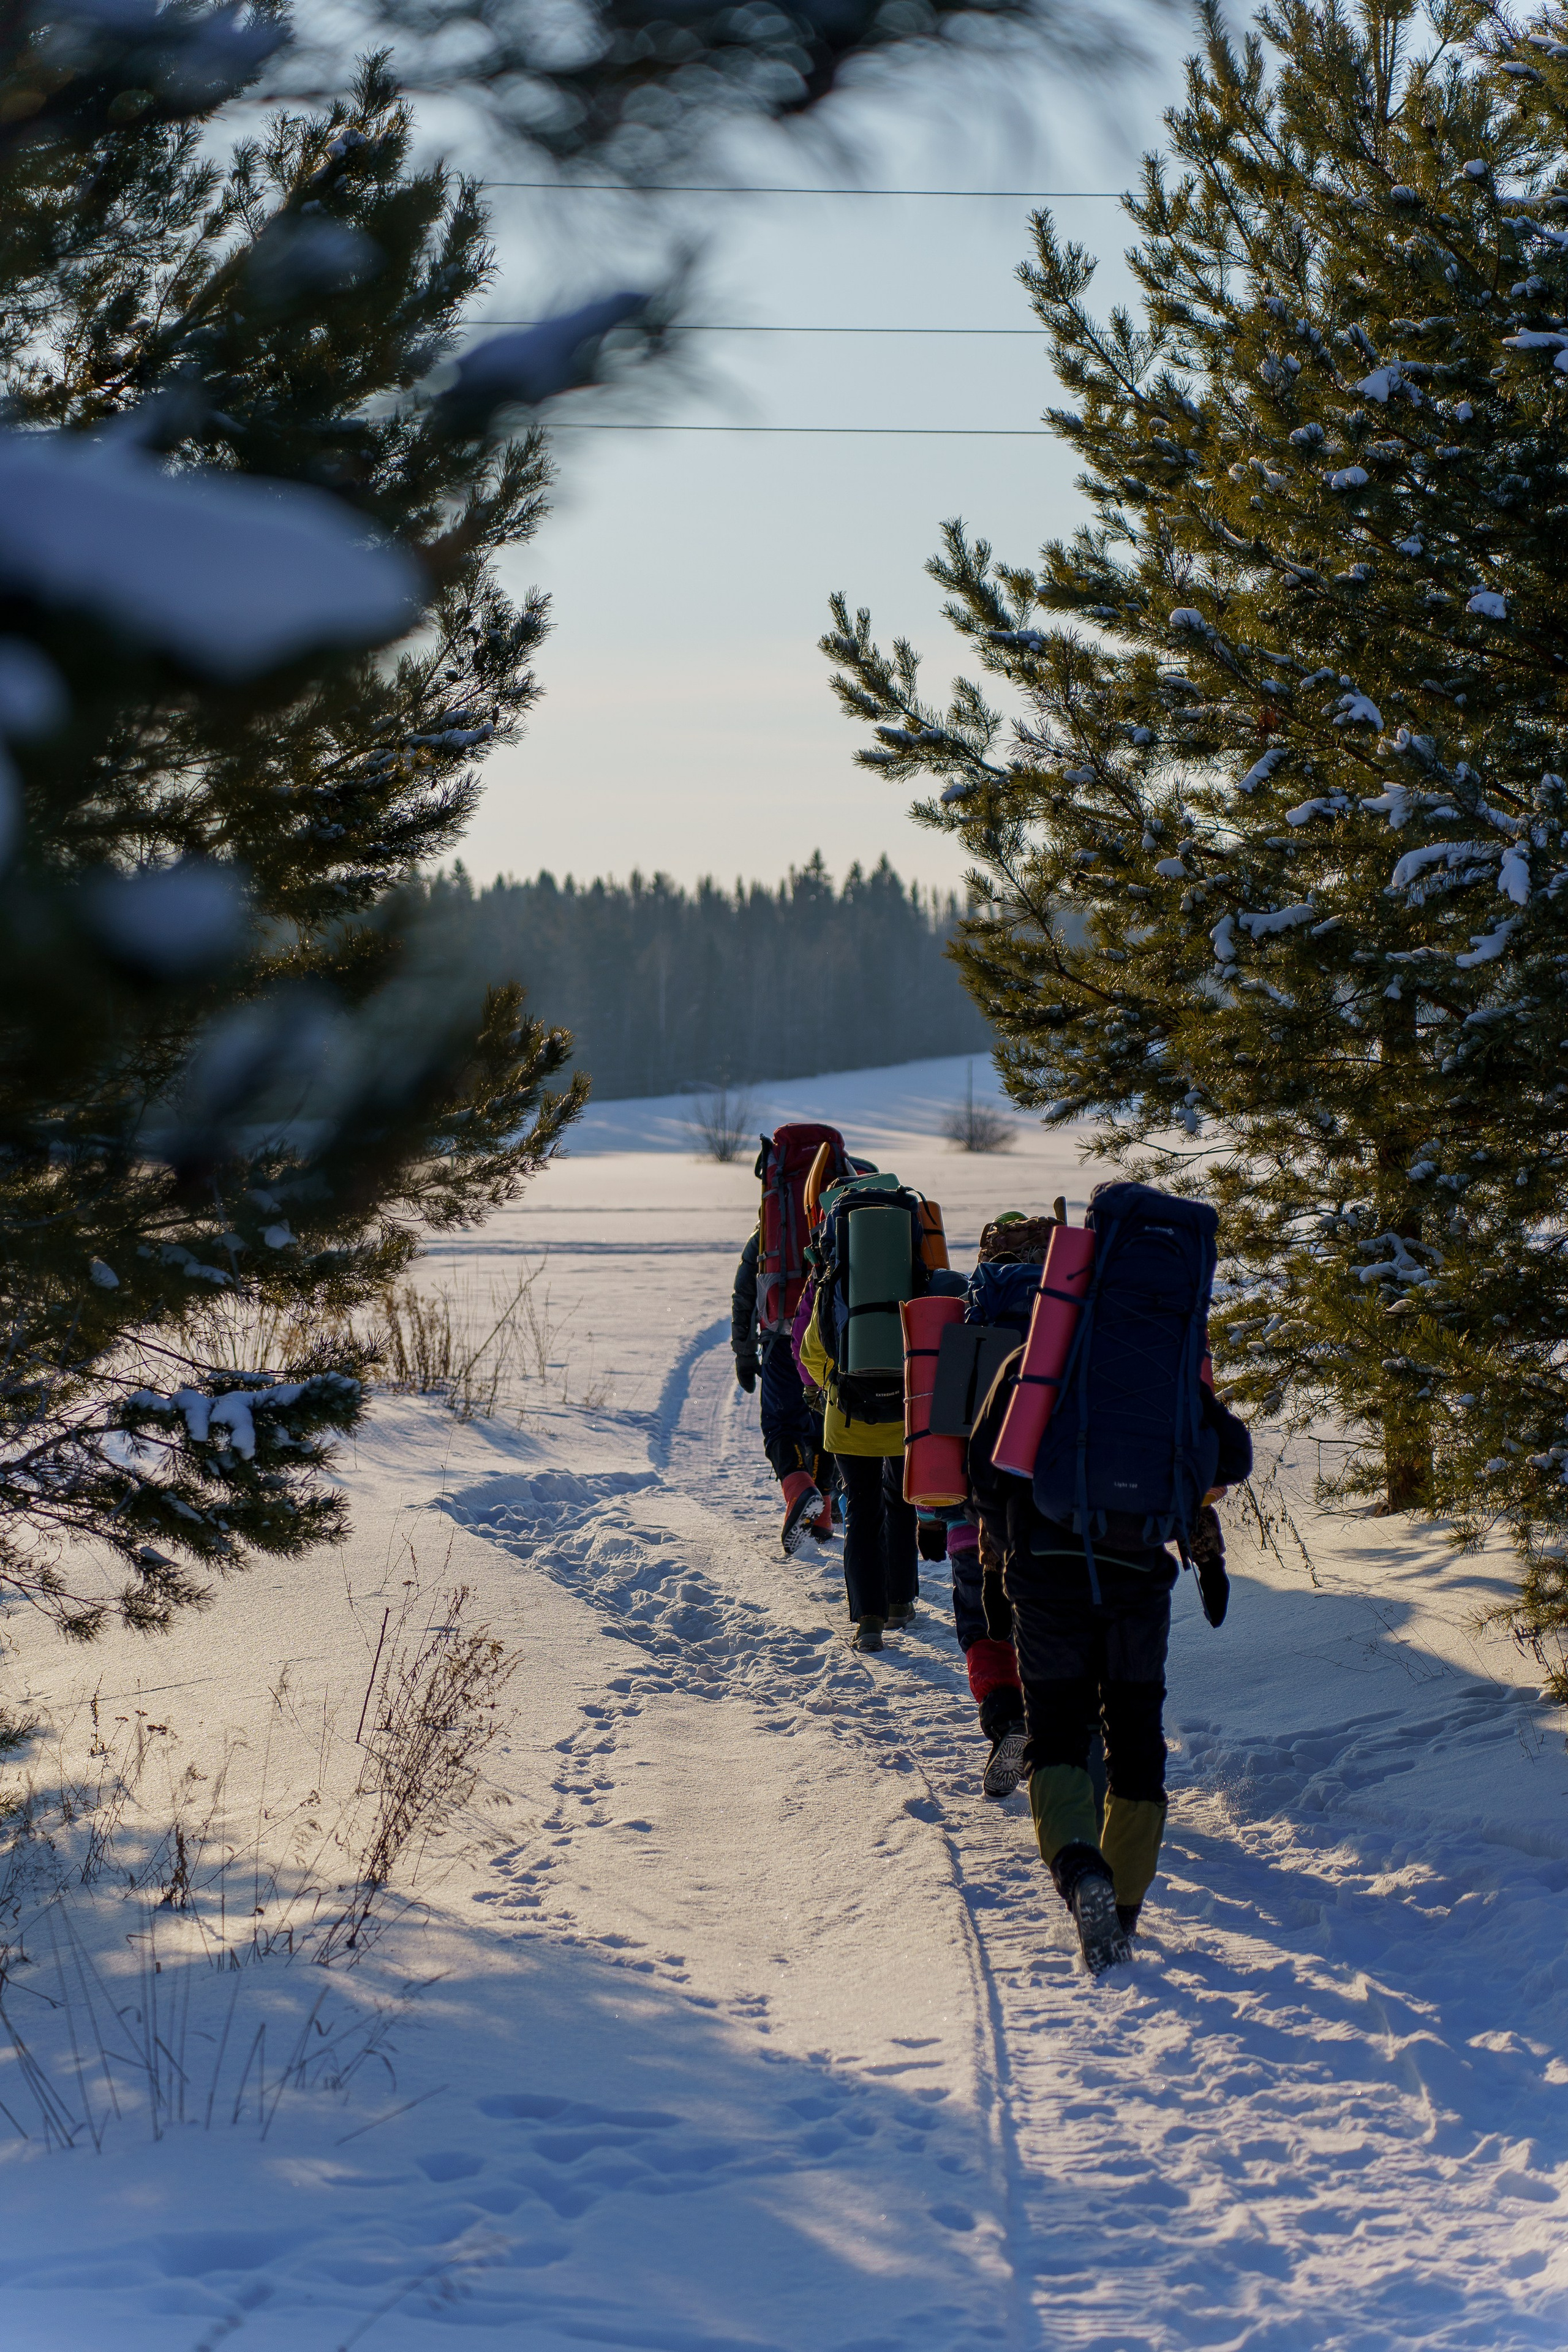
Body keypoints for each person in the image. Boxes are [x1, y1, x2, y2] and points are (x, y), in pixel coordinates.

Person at [968, 1183, 1251, 1975]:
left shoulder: (1047, 1349)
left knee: (1056, 1739)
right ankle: (1121, 1909)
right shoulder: (1170, 1373)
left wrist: (1003, 1547)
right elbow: (1233, 1457)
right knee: (1136, 1747)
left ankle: (1080, 1874)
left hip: (1045, 1575)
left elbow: (985, 1465)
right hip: (1140, 1582)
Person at [800, 1268, 918, 1653]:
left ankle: (870, 1621)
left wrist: (835, 1385)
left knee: (863, 1512)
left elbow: (811, 1352)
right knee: (902, 1504)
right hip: (905, 1414)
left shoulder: (833, 1282)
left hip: (850, 1418)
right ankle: (899, 1603)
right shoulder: (913, 1275)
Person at [731, 1229, 834, 1550]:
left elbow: (745, 1296)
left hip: (780, 1339)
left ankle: (800, 1490)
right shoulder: (841, 1222)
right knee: (826, 1420)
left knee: (780, 1425)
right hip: (833, 1337)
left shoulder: (768, 1231)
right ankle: (823, 1514)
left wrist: (745, 1355)